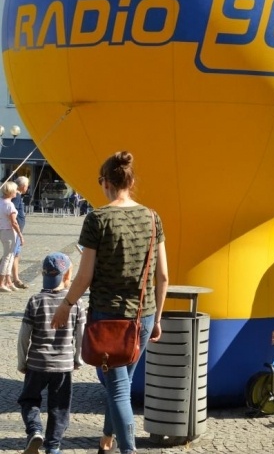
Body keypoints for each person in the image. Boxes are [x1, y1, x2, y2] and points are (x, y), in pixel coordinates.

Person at [50, 151, 169, 454]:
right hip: (143, 315)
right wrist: (157, 319)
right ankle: (107, 438)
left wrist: (65, 305)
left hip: (108, 317)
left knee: (117, 388)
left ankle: (127, 450)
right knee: (121, 384)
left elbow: (85, 275)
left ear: (105, 182)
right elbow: (164, 276)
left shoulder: (97, 219)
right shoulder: (153, 218)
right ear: (130, 181)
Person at [18, 252, 85, 454]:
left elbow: (23, 336)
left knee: (29, 400)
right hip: (63, 366)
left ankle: (35, 430)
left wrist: (23, 362)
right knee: (60, 406)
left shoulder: (35, 301)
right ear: (67, 276)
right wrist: (77, 359)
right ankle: (53, 446)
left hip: (37, 363)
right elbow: (81, 335)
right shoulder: (76, 305)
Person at [0, 181, 24, 292]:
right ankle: (1, 283)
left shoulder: (1, 201)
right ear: (11, 192)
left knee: (10, 257)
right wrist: (20, 235)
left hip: (2, 230)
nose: (17, 192)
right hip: (9, 232)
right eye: (15, 190)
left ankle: (8, 282)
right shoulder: (9, 205)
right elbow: (14, 222)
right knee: (7, 257)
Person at [11, 176, 30, 290]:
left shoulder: (17, 196)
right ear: (23, 187)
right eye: (27, 186)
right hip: (15, 231)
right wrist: (19, 232)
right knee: (13, 255)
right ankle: (14, 279)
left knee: (15, 254)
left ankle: (14, 278)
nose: (27, 188)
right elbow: (13, 214)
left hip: (17, 230)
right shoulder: (16, 196)